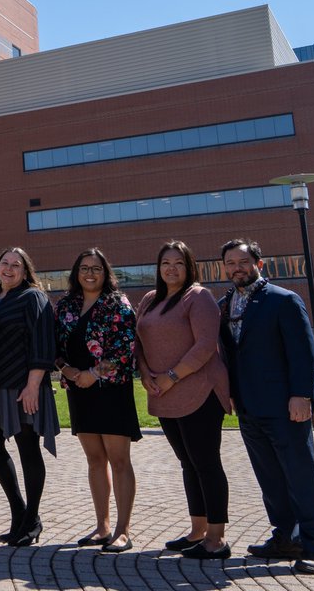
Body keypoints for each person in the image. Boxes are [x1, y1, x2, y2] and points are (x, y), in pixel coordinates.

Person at [218, 238, 314, 574]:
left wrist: (303, 396)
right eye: (230, 263)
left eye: (243, 261)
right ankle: (286, 538)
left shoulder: (283, 300)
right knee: (270, 479)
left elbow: (303, 350)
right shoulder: (226, 304)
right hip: (249, 408)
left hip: (285, 406)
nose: (237, 268)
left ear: (259, 264)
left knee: (300, 476)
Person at [135, 240, 232, 559]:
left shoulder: (199, 296)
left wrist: (171, 375)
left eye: (178, 263)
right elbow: (139, 341)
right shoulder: (150, 299)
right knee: (188, 463)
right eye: (165, 263)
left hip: (199, 391)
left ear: (189, 266)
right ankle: (197, 531)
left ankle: (216, 540)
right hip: (164, 394)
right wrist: (145, 372)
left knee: (206, 463)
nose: (171, 268)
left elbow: (205, 345)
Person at [54, 247, 139, 553]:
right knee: (94, 460)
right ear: (76, 273)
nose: (90, 273)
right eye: (84, 268)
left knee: (118, 460)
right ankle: (102, 526)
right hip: (80, 390)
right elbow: (55, 346)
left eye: (96, 269)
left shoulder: (117, 303)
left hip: (111, 391)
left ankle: (123, 530)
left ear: (106, 273)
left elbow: (125, 347)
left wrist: (94, 372)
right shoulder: (66, 305)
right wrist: (66, 368)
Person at [0, 247, 59, 547]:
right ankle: (19, 512)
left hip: (23, 387)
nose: (9, 269)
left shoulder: (33, 297)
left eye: (16, 265)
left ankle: (33, 519)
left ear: (26, 272)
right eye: (4, 263)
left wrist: (33, 385)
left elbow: (43, 342)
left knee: (28, 450)